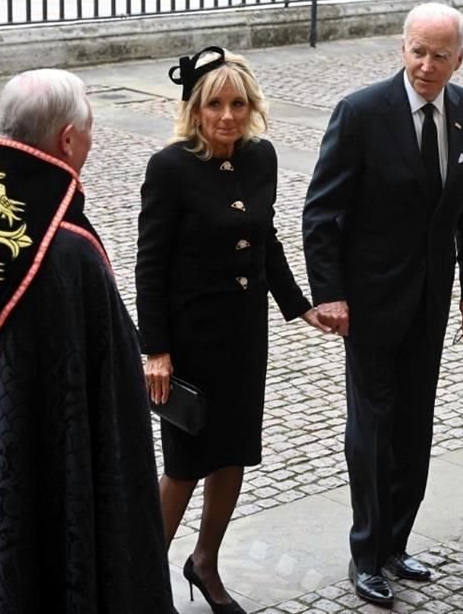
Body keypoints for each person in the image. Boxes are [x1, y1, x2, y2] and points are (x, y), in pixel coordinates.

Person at [0, 69, 174, 611]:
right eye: (89, 128)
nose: (91, 139)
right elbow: (114, 407)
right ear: (67, 140)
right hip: (37, 483)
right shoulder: (69, 253)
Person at [302, 2, 463, 606]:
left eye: (440, 56)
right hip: (369, 302)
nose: (426, 66)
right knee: (373, 425)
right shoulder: (360, 113)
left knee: (414, 424)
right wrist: (328, 293)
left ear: (460, 58)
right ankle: (366, 553)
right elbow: (321, 212)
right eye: (417, 51)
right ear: (401, 47)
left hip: (432, 299)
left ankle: (396, 542)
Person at [137, 46, 326, 614]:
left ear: (252, 107)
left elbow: (266, 239)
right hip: (190, 340)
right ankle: (140, 578)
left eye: (238, 104)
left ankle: (205, 563)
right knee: (184, 464)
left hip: (244, 334)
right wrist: (157, 352)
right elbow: (149, 266)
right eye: (214, 104)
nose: (227, 115)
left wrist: (299, 306)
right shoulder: (169, 167)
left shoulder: (260, 157)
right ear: (195, 109)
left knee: (234, 454)